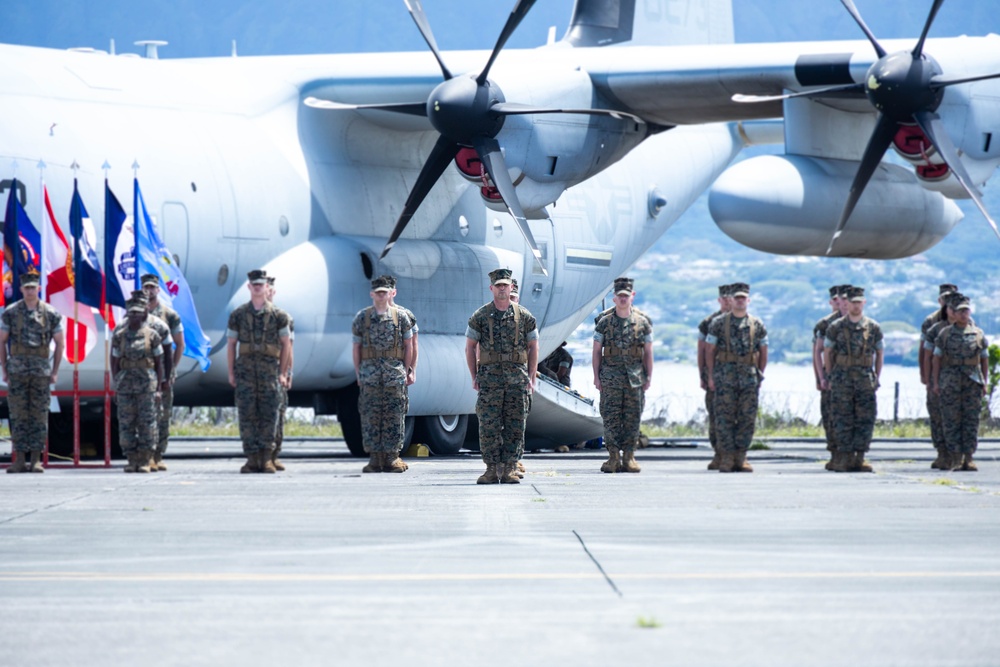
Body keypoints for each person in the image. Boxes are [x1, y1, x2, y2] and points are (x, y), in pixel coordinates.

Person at [465, 268, 538, 484]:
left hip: (517, 379)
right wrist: (474, 375)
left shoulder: (524, 317)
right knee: (488, 425)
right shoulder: (480, 316)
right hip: (489, 380)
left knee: (515, 424)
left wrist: (531, 376)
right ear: (491, 288)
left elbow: (534, 347)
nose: (502, 289)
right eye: (498, 286)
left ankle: (509, 468)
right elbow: (470, 347)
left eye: (505, 285)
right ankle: (490, 469)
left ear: (511, 287)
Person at [227, 269, 292, 474]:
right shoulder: (238, 315)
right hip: (245, 373)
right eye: (254, 284)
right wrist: (231, 373)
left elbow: (286, 345)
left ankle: (266, 458)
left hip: (270, 373)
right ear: (249, 287)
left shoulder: (279, 316)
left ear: (266, 287)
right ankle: (251, 458)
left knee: (269, 416)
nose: (257, 287)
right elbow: (231, 345)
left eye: (261, 284)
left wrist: (283, 372)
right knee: (247, 416)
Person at [0, 270, 64, 473]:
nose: (29, 291)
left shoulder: (50, 313)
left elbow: (60, 343)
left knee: (39, 414)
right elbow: (2, 341)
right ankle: (19, 459)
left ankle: (36, 458)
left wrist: (54, 371)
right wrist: (5, 368)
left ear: (39, 288)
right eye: (26, 288)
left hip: (40, 370)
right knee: (18, 414)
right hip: (17, 369)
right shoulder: (10, 312)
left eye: (33, 287)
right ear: (21, 289)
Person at [352, 275, 415, 473]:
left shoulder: (401, 317)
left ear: (390, 293)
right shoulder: (363, 318)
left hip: (393, 374)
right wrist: (358, 373)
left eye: (384, 292)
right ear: (372, 294)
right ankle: (375, 458)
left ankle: (392, 457)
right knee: (371, 415)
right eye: (377, 292)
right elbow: (356, 347)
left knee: (394, 416)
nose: (381, 295)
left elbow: (409, 345)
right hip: (370, 375)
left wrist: (408, 370)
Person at [592, 277, 653, 473]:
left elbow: (648, 352)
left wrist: (649, 377)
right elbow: (596, 351)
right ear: (614, 298)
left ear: (632, 296)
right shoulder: (604, 323)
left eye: (626, 296)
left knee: (632, 418)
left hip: (635, 379)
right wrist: (596, 376)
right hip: (610, 378)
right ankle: (612, 457)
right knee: (610, 418)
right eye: (620, 296)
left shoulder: (642, 323)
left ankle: (629, 457)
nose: (623, 299)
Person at [705, 282, 767, 473]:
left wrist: (759, 373)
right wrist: (711, 375)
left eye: (743, 298)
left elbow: (763, 351)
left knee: (747, 418)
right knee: (724, 418)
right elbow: (709, 350)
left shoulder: (756, 324)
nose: (740, 301)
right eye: (737, 298)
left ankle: (741, 456)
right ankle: (727, 456)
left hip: (749, 378)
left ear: (748, 300)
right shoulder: (718, 324)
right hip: (725, 377)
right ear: (731, 300)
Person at [823, 286, 883, 473]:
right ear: (846, 303)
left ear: (864, 303)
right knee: (842, 417)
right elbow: (828, 353)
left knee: (865, 418)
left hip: (865, 377)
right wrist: (831, 375)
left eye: (859, 302)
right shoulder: (836, 327)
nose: (856, 306)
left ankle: (860, 456)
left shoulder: (873, 327)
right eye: (852, 302)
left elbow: (879, 353)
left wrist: (877, 376)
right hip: (842, 377)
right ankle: (843, 457)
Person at [932, 294, 989, 471]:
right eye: (960, 311)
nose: (964, 314)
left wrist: (984, 382)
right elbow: (936, 358)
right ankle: (955, 457)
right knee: (951, 420)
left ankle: (969, 457)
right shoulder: (945, 334)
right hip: (950, 382)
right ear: (954, 314)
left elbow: (984, 359)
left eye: (966, 310)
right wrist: (935, 382)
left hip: (972, 382)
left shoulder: (978, 334)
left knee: (971, 420)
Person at [111, 294, 165, 473]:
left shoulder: (153, 335)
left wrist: (158, 389)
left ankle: (145, 459)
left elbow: (159, 363)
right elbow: (115, 361)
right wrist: (116, 383)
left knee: (147, 423)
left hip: (146, 386)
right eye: (131, 313)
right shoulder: (120, 336)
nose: (134, 316)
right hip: (126, 385)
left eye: (138, 313)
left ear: (144, 314)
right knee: (126, 423)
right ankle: (131, 458)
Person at [141, 274, 184, 472]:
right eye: (145, 287)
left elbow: (179, 344)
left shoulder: (169, 315)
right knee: (144, 414)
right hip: (141, 372)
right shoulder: (135, 314)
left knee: (162, 415)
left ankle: (158, 455)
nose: (149, 290)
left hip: (163, 373)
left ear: (158, 290)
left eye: (152, 287)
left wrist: (171, 368)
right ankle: (145, 455)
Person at [922, 292, 963, 469]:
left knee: (964, 418)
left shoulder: (972, 328)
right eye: (951, 307)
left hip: (964, 380)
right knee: (939, 418)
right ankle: (943, 454)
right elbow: (926, 355)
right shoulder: (935, 327)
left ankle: (963, 455)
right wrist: (927, 378)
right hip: (940, 378)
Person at [812, 285, 850, 470]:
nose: (839, 302)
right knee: (831, 416)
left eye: (842, 299)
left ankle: (852, 455)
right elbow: (817, 353)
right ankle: (836, 454)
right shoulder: (825, 324)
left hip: (854, 376)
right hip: (832, 375)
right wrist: (820, 378)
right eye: (835, 300)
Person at [698, 284, 731, 470]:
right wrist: (703, 375)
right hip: (715, 376)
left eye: (730, 298)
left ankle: (734, 454)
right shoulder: (709, 323)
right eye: (724, 298)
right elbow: (702, 351)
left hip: (736, 376)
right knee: (715, 415)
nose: (727, 301)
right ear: (719, 300)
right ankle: (719, 453)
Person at [265, 275, 295, 471]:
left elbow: (289, 347)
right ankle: (261, 455)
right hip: (258, 372)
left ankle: (275, 454)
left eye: (269, 289)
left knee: (278, 414)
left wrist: (288, 373)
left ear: (273, 292)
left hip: (278, 372)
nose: (266, 292)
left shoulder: (283, 318)